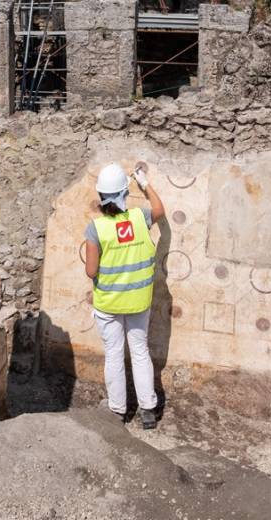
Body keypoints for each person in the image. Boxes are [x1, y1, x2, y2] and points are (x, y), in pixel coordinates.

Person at [83, 162, 165, 429]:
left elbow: (91, 270)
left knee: (114, 354)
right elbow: (160, 211)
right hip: (139, 301)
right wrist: (144, 182)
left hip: (109, 303)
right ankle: (148, 410)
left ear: (101, 196)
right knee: (140, 351)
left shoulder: (96, 228)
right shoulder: (140, 218)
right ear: (123, 193)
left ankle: (118, 411)